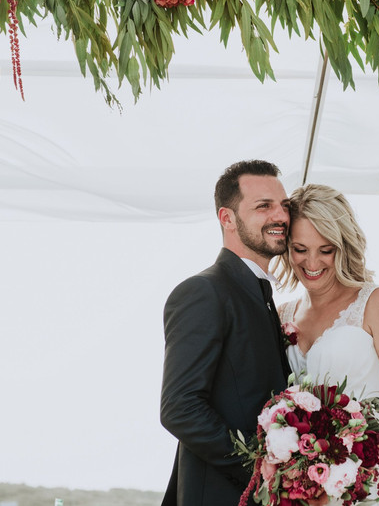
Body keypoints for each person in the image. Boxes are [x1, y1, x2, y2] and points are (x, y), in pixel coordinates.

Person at [275, 184, 379, 505]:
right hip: (303, 491)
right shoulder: (280, 316)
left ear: (343, 246)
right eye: (300, 248)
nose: (312, 261)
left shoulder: (377, 302)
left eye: (326, 249)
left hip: (368, 483)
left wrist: (336, 462)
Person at [160, 160, 292, 506]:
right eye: (263, 206)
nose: (280, 216)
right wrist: (260, 468)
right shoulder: (204, 292)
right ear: (227, 218)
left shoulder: (263, 298)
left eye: (284, 205)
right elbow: (180, 408)